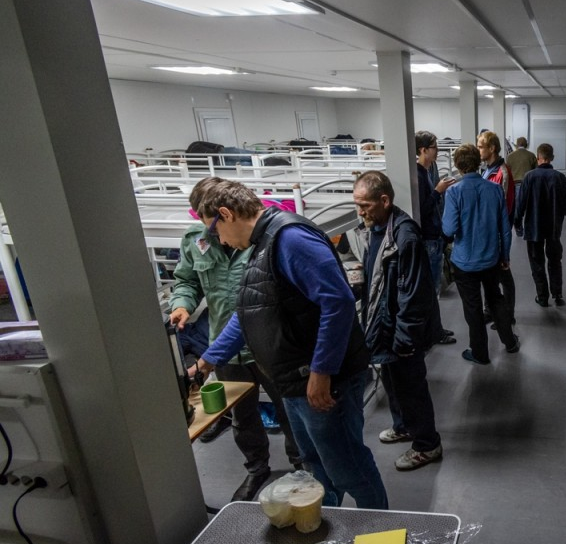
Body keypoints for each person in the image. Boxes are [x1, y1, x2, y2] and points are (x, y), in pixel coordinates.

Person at [193, 177, 387, 509]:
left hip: (323, 381)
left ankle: (381, 529)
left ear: (226, 214)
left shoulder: (289, 238)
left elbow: (338, 302)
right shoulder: (263, 244)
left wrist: (322, 371)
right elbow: (249, 312)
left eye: (215, 231)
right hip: (295, 382)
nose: (220, 241)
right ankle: (329, 522)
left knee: (348, 468)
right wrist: (207, 361)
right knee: (316, 465)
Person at [169, 192, 302, 501]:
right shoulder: (195, 240)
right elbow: (187, 281)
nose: (209, 229)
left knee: (290, 410)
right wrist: (182, 304)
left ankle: (302, 467)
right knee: (242, 416)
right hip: (224, 347)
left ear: (225, 213)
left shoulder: (259, 238)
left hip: (266, 342)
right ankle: (257, 468)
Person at [353, 171, 444, 471]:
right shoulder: (376, 229)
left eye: (365, 205)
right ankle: (404, 426)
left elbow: (414, 295)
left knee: (411, 388)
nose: (360, 212)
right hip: (386, 326)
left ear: (384, 200)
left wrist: (405, 340)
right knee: (393, 383)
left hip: (402, 332)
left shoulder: (405, 236)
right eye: (357, 204)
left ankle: (427, 445)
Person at [442, 144, 519, 365]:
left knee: (473, 307)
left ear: (458, 165)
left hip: (464, 262)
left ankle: (480, 353)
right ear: (478, 163)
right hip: (491, 258)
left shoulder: (453, 192)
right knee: (496, 299)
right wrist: (505, 256)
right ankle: (510, 342)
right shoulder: (494, 190)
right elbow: (505, 229)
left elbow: (448, 229)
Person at [514, 143, 566, 307]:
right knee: (555, 260)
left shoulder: (529, 177)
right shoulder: (559, 177)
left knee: (537, 263)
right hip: (554, 228)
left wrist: (517, 223)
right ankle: (557, 294)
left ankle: (542, 297)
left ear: (537, 158)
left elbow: (521, 204)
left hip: (534, 227)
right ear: (552, 158)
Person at [414, 130, 456, 345]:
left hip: (434, 237)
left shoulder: (427, 172)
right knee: (431, 290)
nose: (437, 151)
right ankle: (432, 333)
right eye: (434, 147)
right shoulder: (418, 175)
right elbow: (422, 210)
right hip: (428, 239)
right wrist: (438, 191)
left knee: (433, 289)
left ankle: (435, 329)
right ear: (423, 150)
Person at [477, 130, 517, 326]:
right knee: (489, 275)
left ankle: (508, 315)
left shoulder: (502, 172)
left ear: (492, 148)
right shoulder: (487, 170)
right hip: (488, 233)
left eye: (481, 147)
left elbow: (505, 209)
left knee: (504, 275)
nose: (478, 150)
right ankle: (490, 311)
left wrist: (501, 241)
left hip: (497, 234)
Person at [505, 136, 537, 201]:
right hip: (529, 184)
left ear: (516, 145)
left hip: (515, 184)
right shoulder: (531, 155)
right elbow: (536, 170)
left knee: (518, 204)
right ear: (526, 145)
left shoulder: (510, 156)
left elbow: (507, 172)